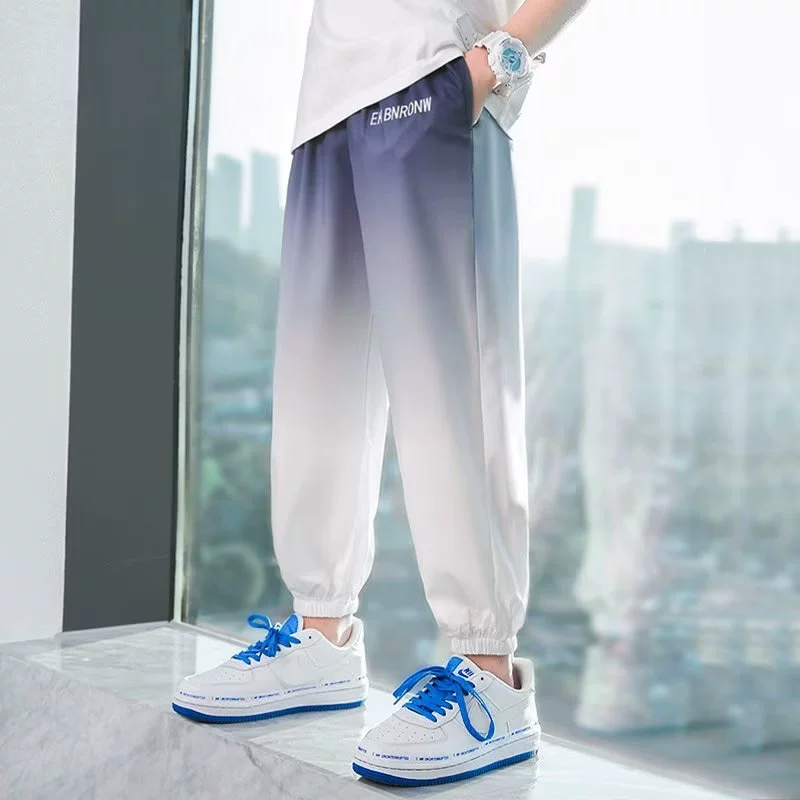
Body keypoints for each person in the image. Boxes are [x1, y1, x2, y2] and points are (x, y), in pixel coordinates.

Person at [174, 0, 590, 786]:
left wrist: (496, 61)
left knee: (453, 389)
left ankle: (491, 675)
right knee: (318, 390)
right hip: (327, 100)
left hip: (434, 82)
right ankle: (321, 635)